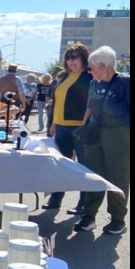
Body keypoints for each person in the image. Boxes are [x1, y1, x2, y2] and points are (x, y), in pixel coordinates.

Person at [74, 46, 130, 234]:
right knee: (93, 175)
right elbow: (90, 107)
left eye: (90, 68)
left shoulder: (125, 83)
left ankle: (117, 219)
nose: (89, 72)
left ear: (102, 65)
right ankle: (89, 216)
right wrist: (84, 127)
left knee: (117, 176)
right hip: (95, 133)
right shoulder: (94, 83)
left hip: (119, 136)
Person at [42, 43, 93, 213]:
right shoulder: (65, 76)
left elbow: (90, 105)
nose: (71, 61)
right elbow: (59, 102)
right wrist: (55, 122)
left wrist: (86, 124)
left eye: (75, 57)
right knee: (61, 165)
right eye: (68, 58)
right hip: (62, 127)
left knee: (83, 167)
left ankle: (84, 203)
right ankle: (56, 199)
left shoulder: (89, 78)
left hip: (80, 128)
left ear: (84, 58)